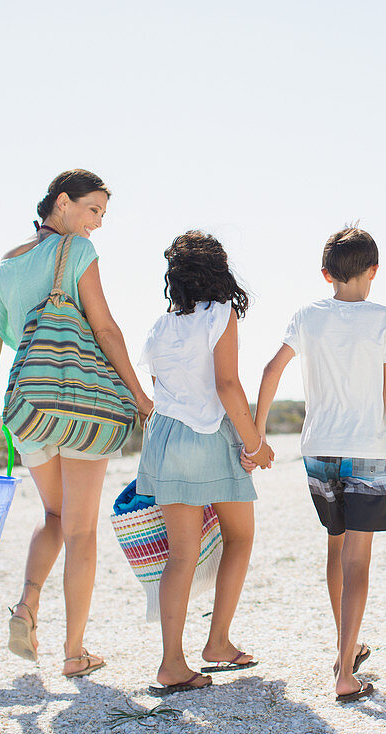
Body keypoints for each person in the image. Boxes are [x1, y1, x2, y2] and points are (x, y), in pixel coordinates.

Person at [0, 169, 153, 677]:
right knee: (80, 530)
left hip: (27, 407)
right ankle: (74, 652)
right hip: (78, 406)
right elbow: (104, 327)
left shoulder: (4, 270)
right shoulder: (76, 252)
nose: (97, 223)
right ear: (63, 203)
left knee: (54, 517)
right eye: (93, 210)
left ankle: (27, 606)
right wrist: (139, 396)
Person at [253, 225, 386, 703]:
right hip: (366, 449)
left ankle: (349, 642)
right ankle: (345, 670)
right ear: (374, 271)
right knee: (358, 560)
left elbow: (271, 369)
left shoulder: (307, 316)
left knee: (335, 548)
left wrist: (256, 434)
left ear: (326, 274)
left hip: (318, 450)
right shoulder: (385, 318)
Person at [136, 230, 274, 696]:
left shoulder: (159, 326)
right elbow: (228, 385)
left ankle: (171, 663)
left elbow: (159, 387)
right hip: (210, 434)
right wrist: (255, 444)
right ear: (218, 271)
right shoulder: (220, 314)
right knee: (240, 536)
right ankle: (216, 641)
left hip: (167, 437)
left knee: (181, 555)